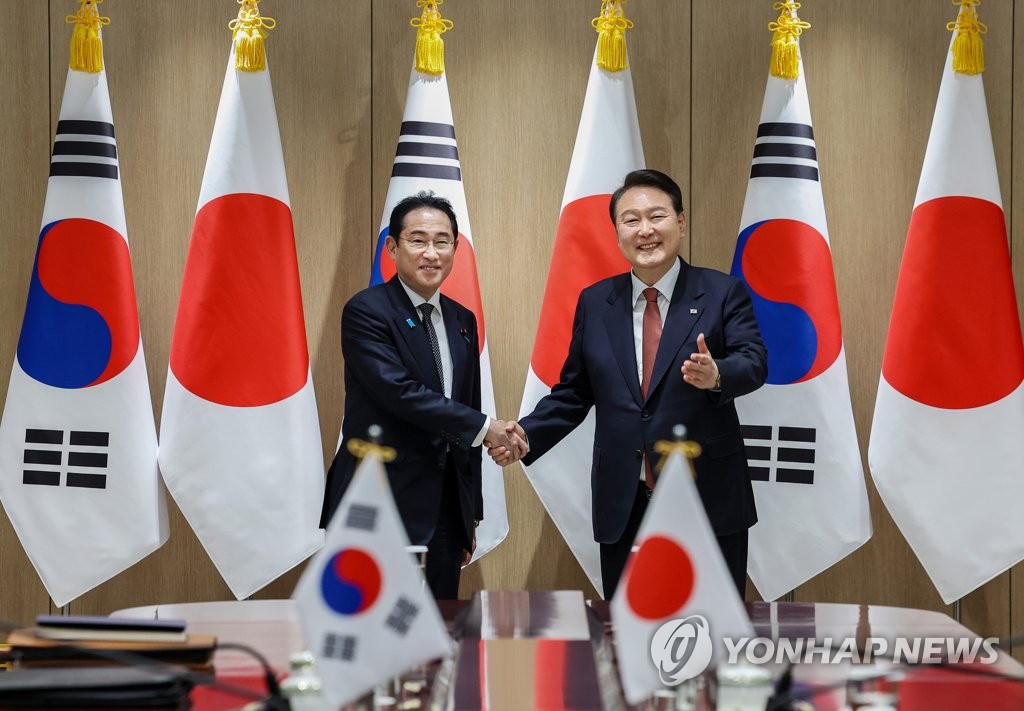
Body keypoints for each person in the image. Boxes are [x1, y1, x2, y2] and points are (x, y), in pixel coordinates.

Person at [493, 169, 767, 599]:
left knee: (713, 628)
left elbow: (754, 362)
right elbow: (575, 391)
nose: (645, 230)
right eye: (631, 220)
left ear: (681, 221)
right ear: (617, 231)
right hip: (625, 496)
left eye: (656, 216)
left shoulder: (720, 292)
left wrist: (718, 377)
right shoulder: (596, 302)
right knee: (627, 631)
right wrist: (526, 433)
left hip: (705, 491)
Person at [321, 191, 522, 599]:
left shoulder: (462, 320)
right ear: (393, 247)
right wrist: (489, 429)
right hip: (378, 497)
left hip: (445, 508)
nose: (431, 253)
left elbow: (467, 409)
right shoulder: (367, 311)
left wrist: (471, 514)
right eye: (417, 240)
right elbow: (400, 393)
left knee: (438, 632)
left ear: (455, 248)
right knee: (373, 633)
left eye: (442, 241)